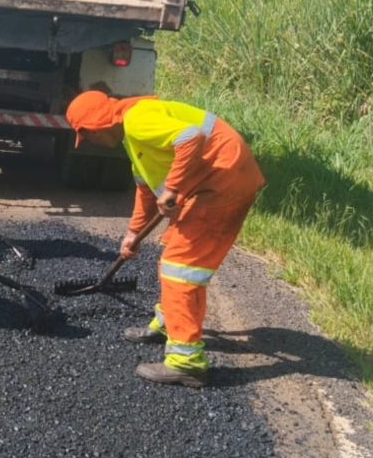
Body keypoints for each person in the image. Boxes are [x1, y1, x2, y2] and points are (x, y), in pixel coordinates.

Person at [66, 90, 264, 387]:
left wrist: (172, 188)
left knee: (181, 268)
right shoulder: (133, 137)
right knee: (171, 257)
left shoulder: (137, 119)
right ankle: (170, 323)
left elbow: (190, 137)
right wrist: (133, 234)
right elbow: (145, 190)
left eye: (88, 136)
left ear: (96, 126)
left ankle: (186, 362)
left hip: (223, 180)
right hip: (215, 180)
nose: (91, 142)